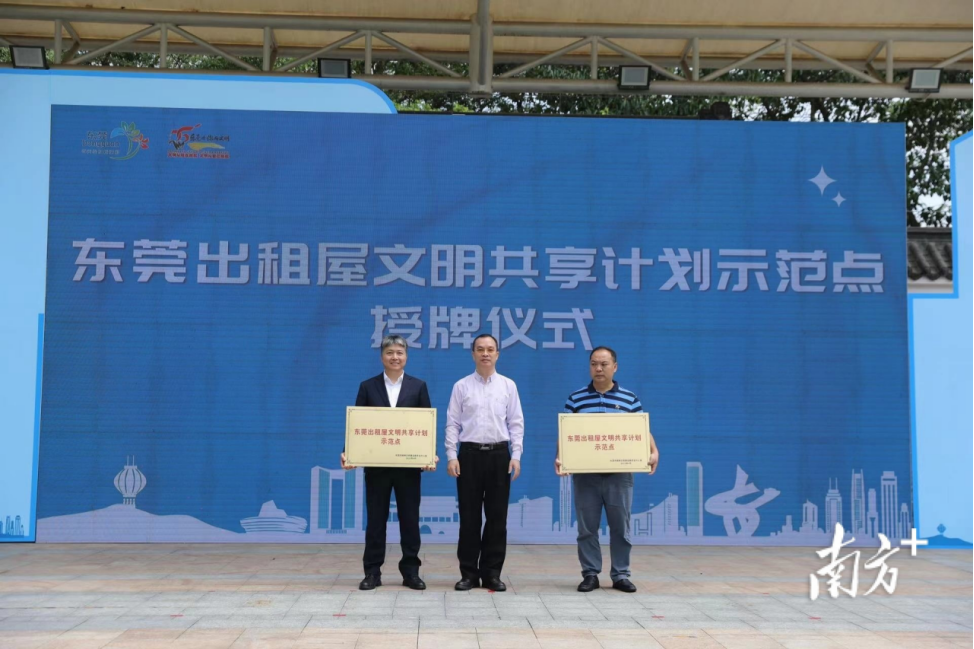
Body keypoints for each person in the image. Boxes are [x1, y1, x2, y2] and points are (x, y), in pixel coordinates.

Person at [555, 346, 659, 594]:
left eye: (603, 364)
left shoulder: (629, 399)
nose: (598, 369)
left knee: (621, 527)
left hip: (619, 475)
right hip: (586, 474)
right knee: (587, 528)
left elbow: (641, 430)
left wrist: (654, 451)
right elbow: (566, 432)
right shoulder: (576, 399)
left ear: (615, 366)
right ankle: (590, 574)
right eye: (594, 364)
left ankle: (621, 574)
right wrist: (561, 457)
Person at [341, 335, 438, 591]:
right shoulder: (368, 386)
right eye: (390, 352)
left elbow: (426, 425)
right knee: (375, 521)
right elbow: (358, 424)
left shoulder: (418, 386)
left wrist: (430, 454)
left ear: (406, 356)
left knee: (410, 520)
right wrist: (348, 452)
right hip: (378, 467)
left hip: (408, 468)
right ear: (382, 356)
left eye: (400, 353)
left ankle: (411, 572)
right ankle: (372, 572)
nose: (395, 357)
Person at [445, 333, 524, 592]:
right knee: (469, 518)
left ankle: (492, 573)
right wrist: (452, 455)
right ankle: (468, 574)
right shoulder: (461, 386)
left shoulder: (508, 386)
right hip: (468, 455)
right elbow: (452, 423)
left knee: (497, 518)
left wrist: (516, 455)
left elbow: (516, 423)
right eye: (480, 349)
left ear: (498, 354)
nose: (485, 353)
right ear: (473, 354)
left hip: (499, 456)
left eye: (490, 349)